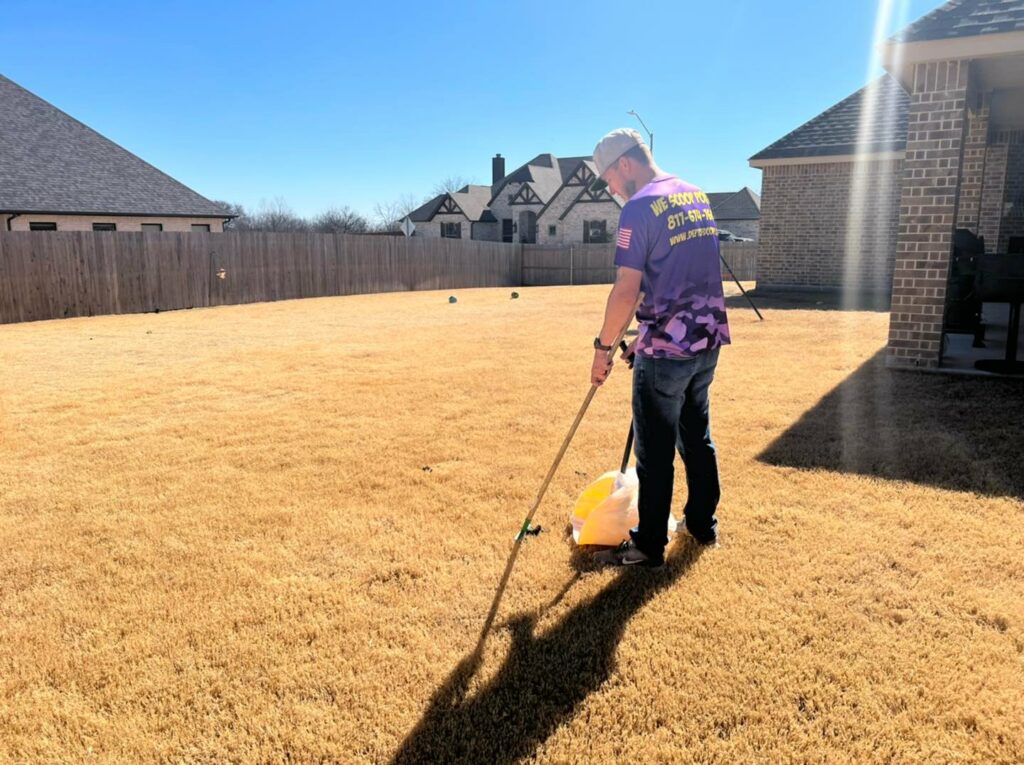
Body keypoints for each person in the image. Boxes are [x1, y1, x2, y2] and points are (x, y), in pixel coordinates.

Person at [588, 128, 730, 568]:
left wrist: (603, 348)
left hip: (667, 352)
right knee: (696, 437)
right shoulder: (696, 197)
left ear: (625, 164)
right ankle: (702, 525)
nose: (611, 188)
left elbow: (626, 289)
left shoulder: (638, 208)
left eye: (609, 178)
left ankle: (648, 545)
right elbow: (677, 278)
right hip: (706, 341)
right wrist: (640, 336)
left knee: (654, 451)